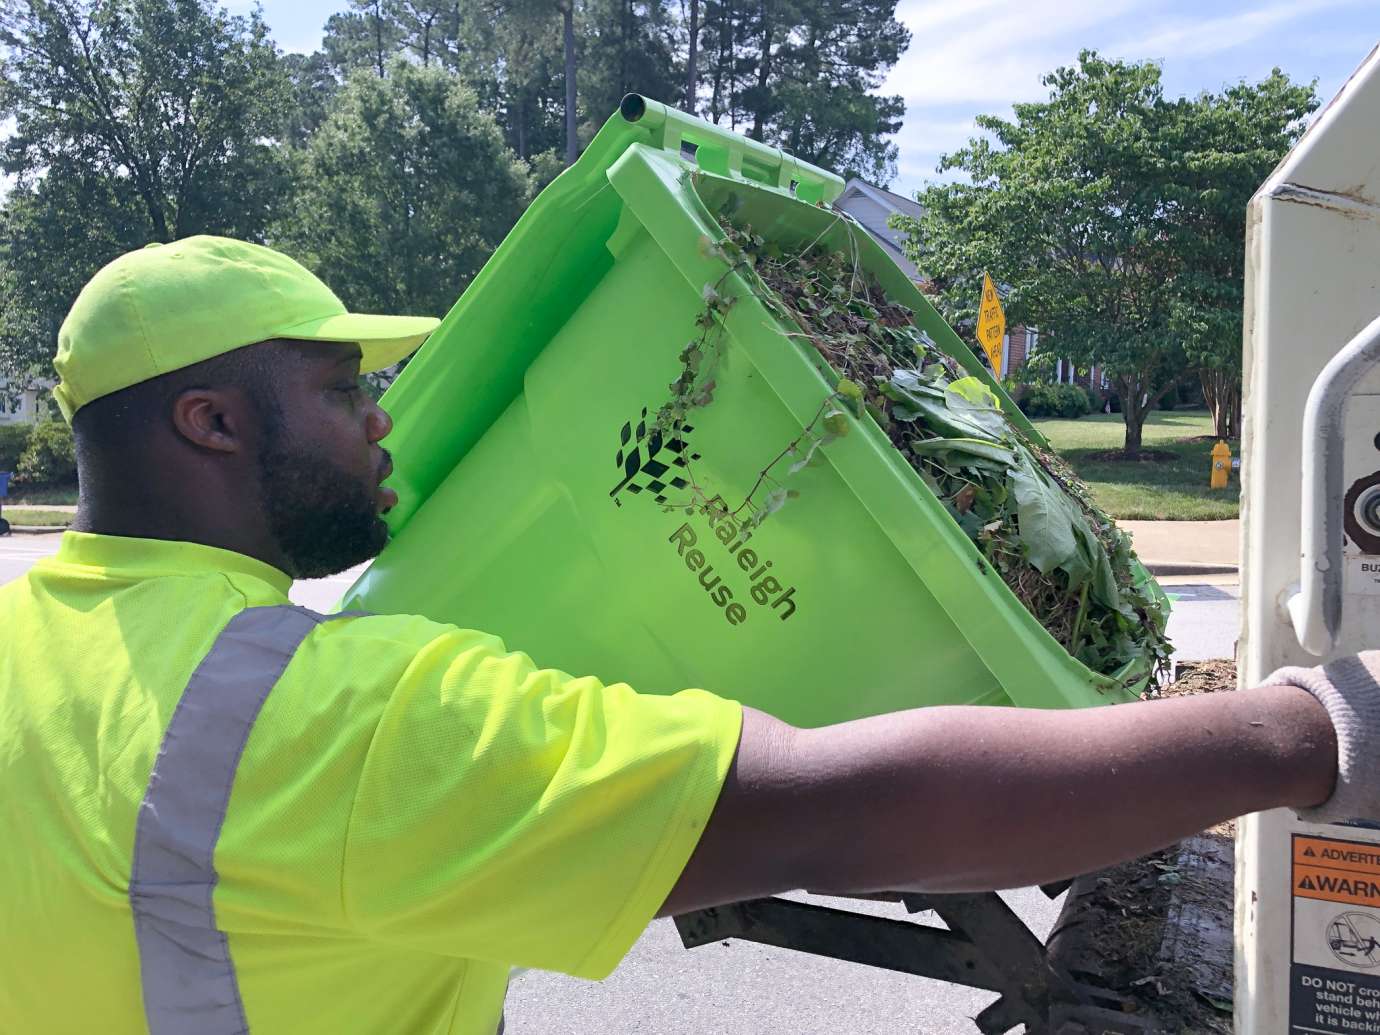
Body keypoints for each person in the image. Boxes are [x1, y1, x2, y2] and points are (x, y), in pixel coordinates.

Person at [0, 236, 1375, 1035]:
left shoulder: (33, 642)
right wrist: (1307, 729)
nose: (381, 413)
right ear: (212, 424)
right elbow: (833, 807)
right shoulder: (316, 723)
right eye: (340, 385)